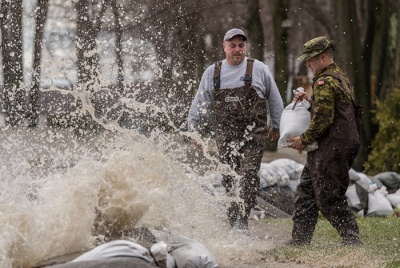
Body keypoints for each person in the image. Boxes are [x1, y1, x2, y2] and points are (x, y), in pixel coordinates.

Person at [187, 28, 284, 230]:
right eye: (233, 46)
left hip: (253, 135)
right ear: (224, 48)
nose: (237, 50)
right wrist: (193, 130)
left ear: (246, 47)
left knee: (248, 175)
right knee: (229, 178)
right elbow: (199, 103)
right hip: (226, 137)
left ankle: (242, 220)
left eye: (241, 45)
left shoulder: (259, 69)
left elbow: (274, 99)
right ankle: (234, 222)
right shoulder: (212, 72)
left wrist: (277, 125)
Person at [286, 36, 363, 246]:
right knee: (307, 191)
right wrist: (310, 102)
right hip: (335, 144)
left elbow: (323, 118)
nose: (307, 64)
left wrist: (304, 139)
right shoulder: (338, 76)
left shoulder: (324, 81)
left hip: (333, 147)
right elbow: (329, 110)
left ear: (322, 57)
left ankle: (351, 238)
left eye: (310, 59)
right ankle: (299, 240)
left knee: (329, 196)